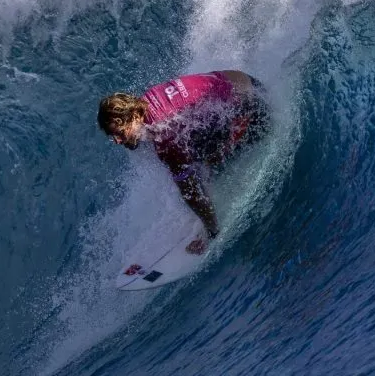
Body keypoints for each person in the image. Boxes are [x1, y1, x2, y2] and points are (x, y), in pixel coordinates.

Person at [98, 70, 270, 254]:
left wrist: (211, 232)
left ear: (133, 117)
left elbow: (191, 193)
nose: (117, 141)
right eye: (112, 136)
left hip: (255, 110)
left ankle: (216, 226)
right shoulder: (148, 99)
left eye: (119, 133)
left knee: (204, 165)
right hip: (248, 82)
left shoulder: (164, 137)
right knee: (197, 146)